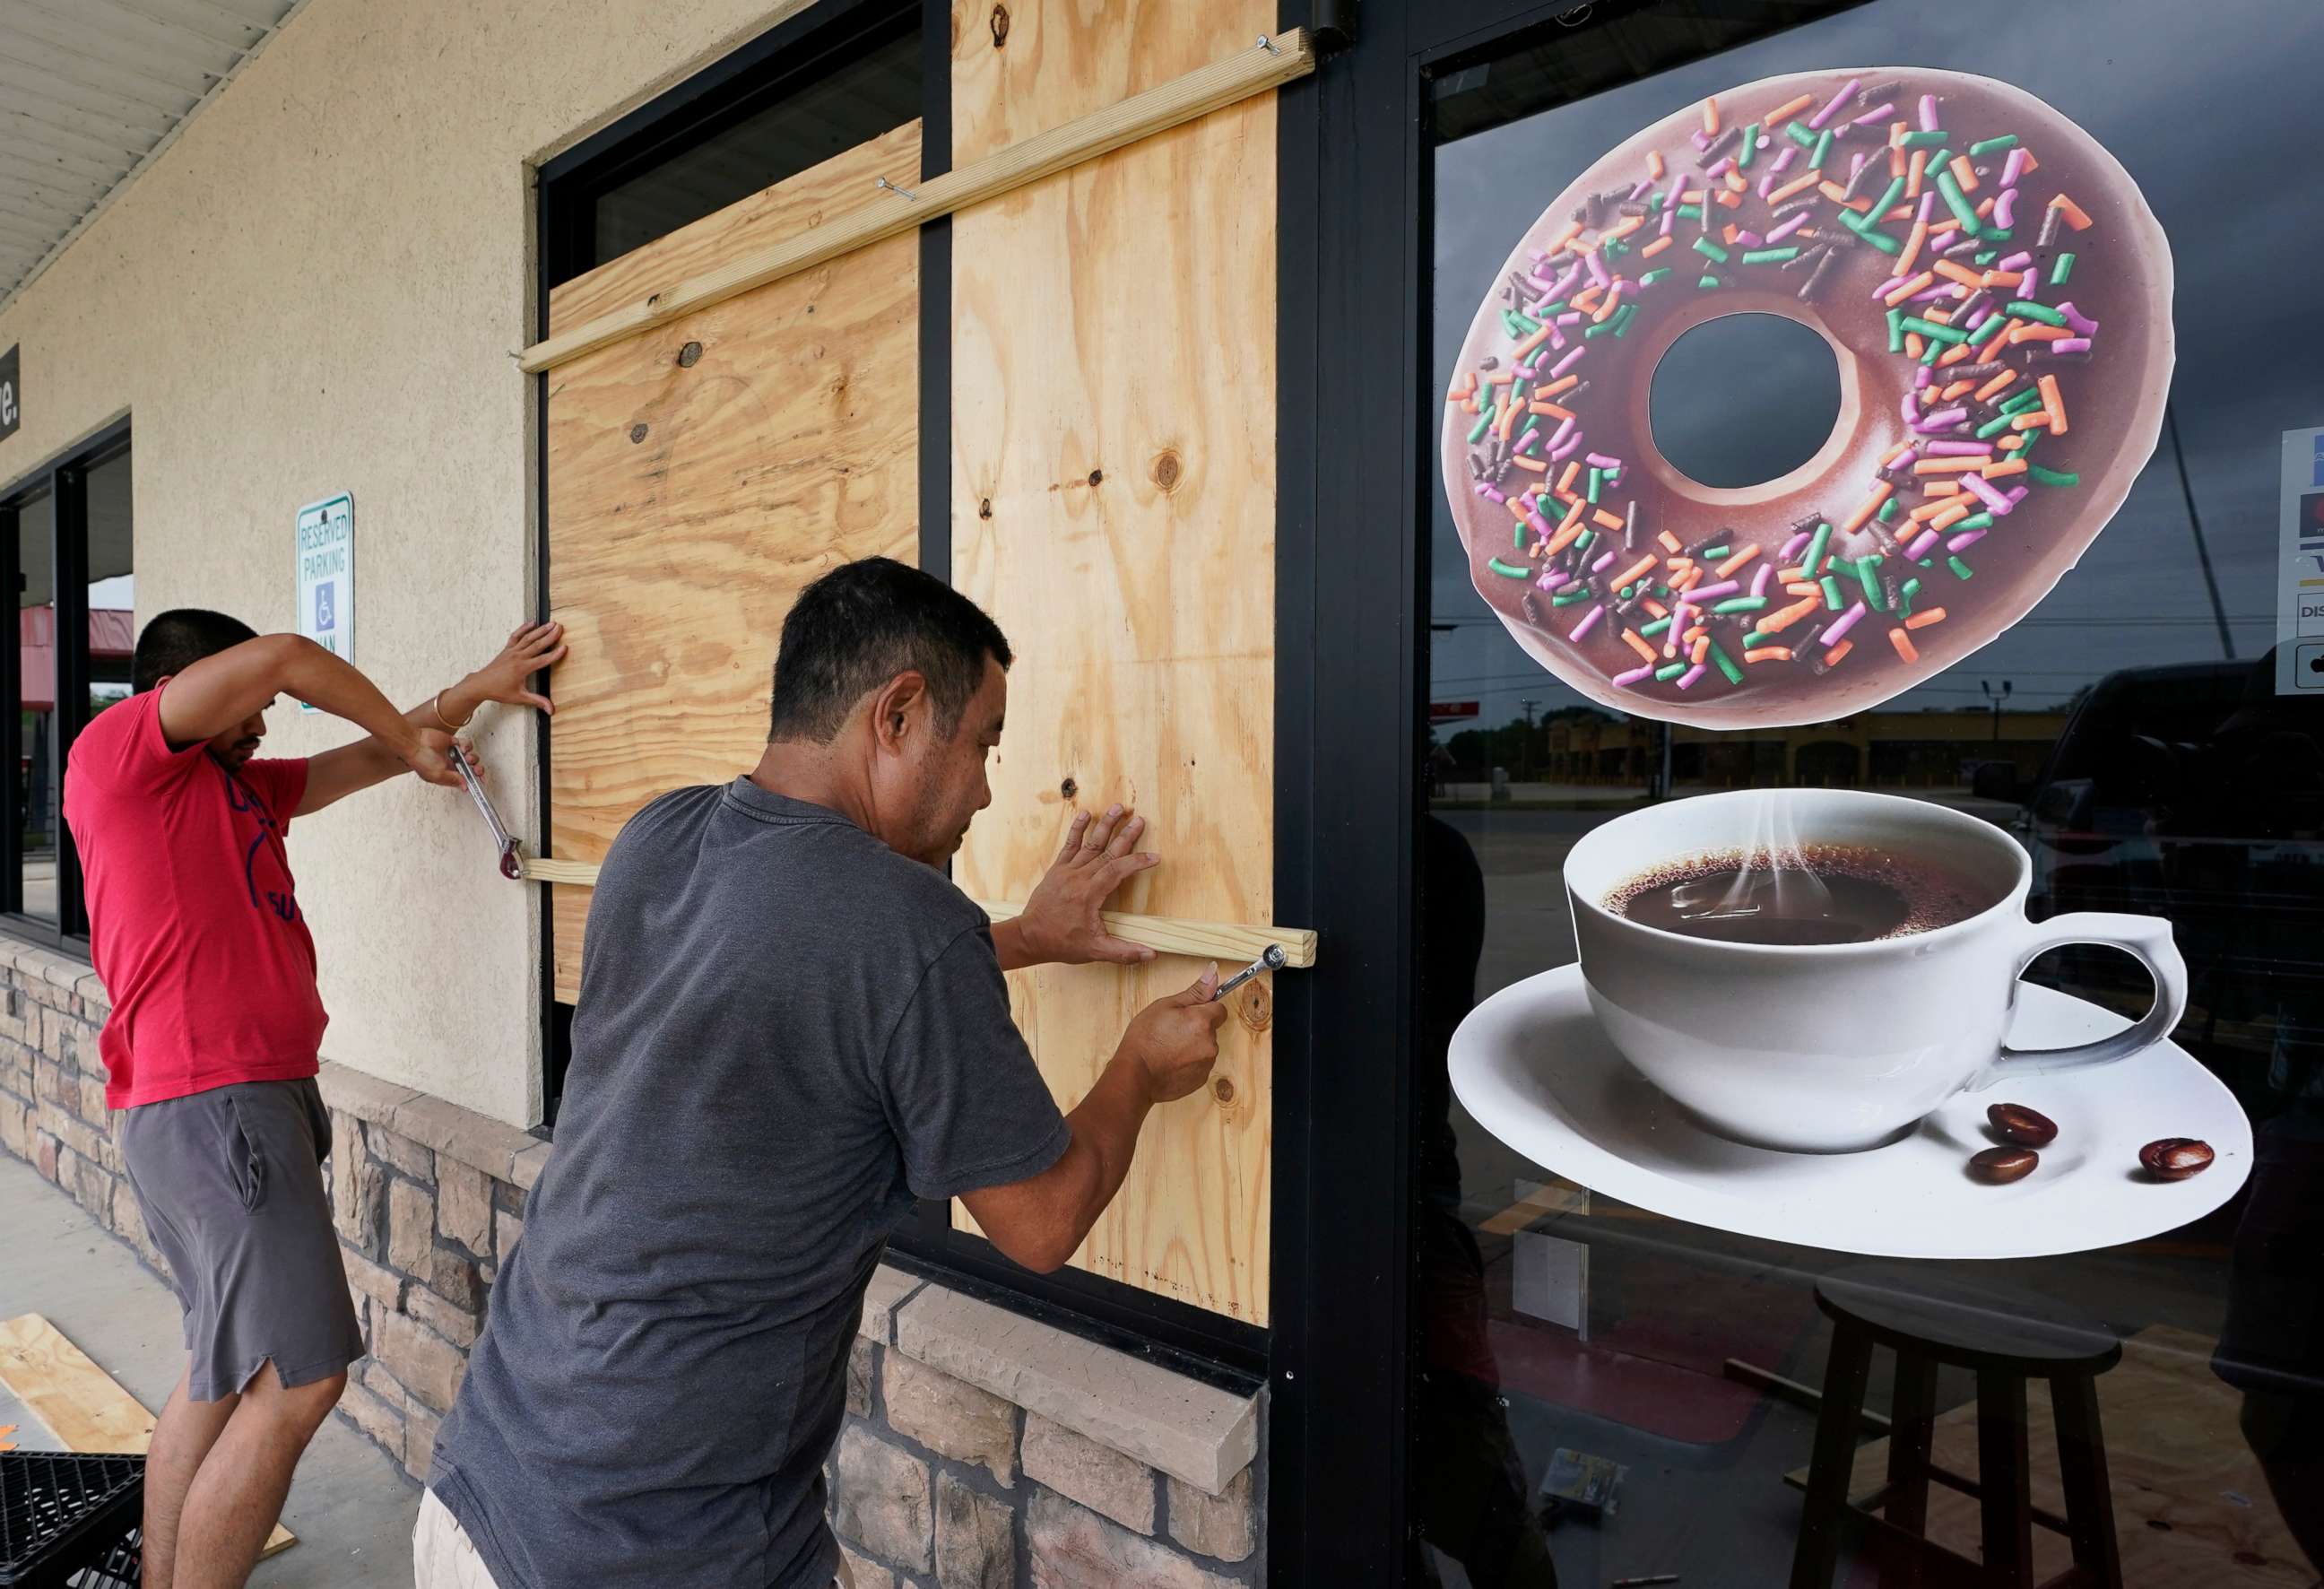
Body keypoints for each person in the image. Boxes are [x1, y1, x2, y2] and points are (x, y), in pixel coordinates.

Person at [419, 557, 1229, 1589]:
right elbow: (1041, 1219)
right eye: (983, 740)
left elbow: (806, 974)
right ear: (897, 714)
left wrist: (1021, 934)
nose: (986, 785)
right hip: (661, 1550)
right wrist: (1138, 1069)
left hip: (484, 1490)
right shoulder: (909, 928)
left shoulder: (656, 837)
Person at [62, 610, 567, 1589]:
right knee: (303, 1382)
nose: (264, 724)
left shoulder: (231, 786)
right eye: (247, 708)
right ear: (189, 687)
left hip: (227, 1105)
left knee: (223, 1382)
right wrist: (395, 724)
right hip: (218, 1104)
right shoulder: (120, 756)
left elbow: (370, 757)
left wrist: (471, 688)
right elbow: (289, 659)